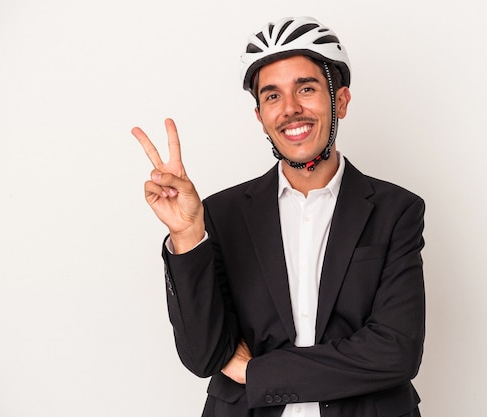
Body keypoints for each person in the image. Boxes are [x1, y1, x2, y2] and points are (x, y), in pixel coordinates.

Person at [132, 16, 426, 417]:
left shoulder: (397, 210)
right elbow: (203, 356)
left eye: (306, 88)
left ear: (340, 101)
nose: (290, 109)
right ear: (260, 117)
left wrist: (255, 371)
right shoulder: (220, 214)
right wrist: (186, 236)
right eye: (272, 96)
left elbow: (395, 351)